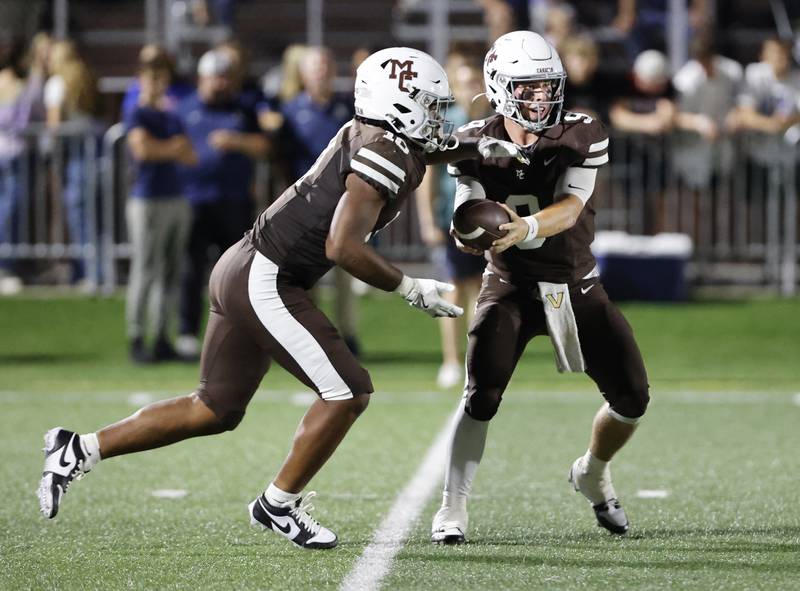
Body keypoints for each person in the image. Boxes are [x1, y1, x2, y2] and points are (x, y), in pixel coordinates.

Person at [38, 47, 527, 550]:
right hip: (266, 276)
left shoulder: (383, 138)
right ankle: (279, 503)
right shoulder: (382, 151)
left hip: (249, 266)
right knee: (347, 391)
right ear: (398, 104)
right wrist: (408, 287)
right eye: (427, 103)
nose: (436, 115)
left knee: (215, 408)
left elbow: (422, 150)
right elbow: (342, 246)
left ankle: (79, 448)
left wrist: (477, 147)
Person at [430, 31, 650, 544]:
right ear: (500, 86)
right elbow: (468, 208)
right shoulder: (473, 140)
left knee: (632, 398)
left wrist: (524, 229)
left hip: (573, 282)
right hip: (509, 283)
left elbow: (571, 206)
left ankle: (592, 472)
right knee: (481, 393)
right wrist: (466, 231)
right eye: (527, 88)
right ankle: (452, 507)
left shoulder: (581, 131)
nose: (540, 98)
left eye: (546, 86)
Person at [175, 49, 269, 360]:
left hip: (233, 200)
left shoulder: (242, 110)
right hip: (194, 200)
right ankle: (187, 331)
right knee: (192, 268)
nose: (220, 83)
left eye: (225, 77)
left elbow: (264, 146)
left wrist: (237, 141)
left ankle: (237, 332)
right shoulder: (185, 108)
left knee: (234, 272)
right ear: (202, 78)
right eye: (215, 77)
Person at [416, 60, 488, 388]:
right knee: (454, 288)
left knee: (482, 289)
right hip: (453, 216)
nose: (470, 88)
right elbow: (428, 174)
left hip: (489, 215)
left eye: (475, 81)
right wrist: (428, 219)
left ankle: (479, 361)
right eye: (464, 83)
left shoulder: (494, 123)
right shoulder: (445, 124)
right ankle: (450, 360)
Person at [124, 55, 197, 363]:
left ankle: (161, 334)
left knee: (170, 270)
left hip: (174, 196)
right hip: (148, 198)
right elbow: (142, 150)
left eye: (161, 78)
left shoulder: (170, 114)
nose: (157, 84)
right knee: (145, 268)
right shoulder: (137, 112)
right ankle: (137, 335)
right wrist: (171, 149)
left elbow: (190, 155)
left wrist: (165, 149)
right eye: (151, 78)